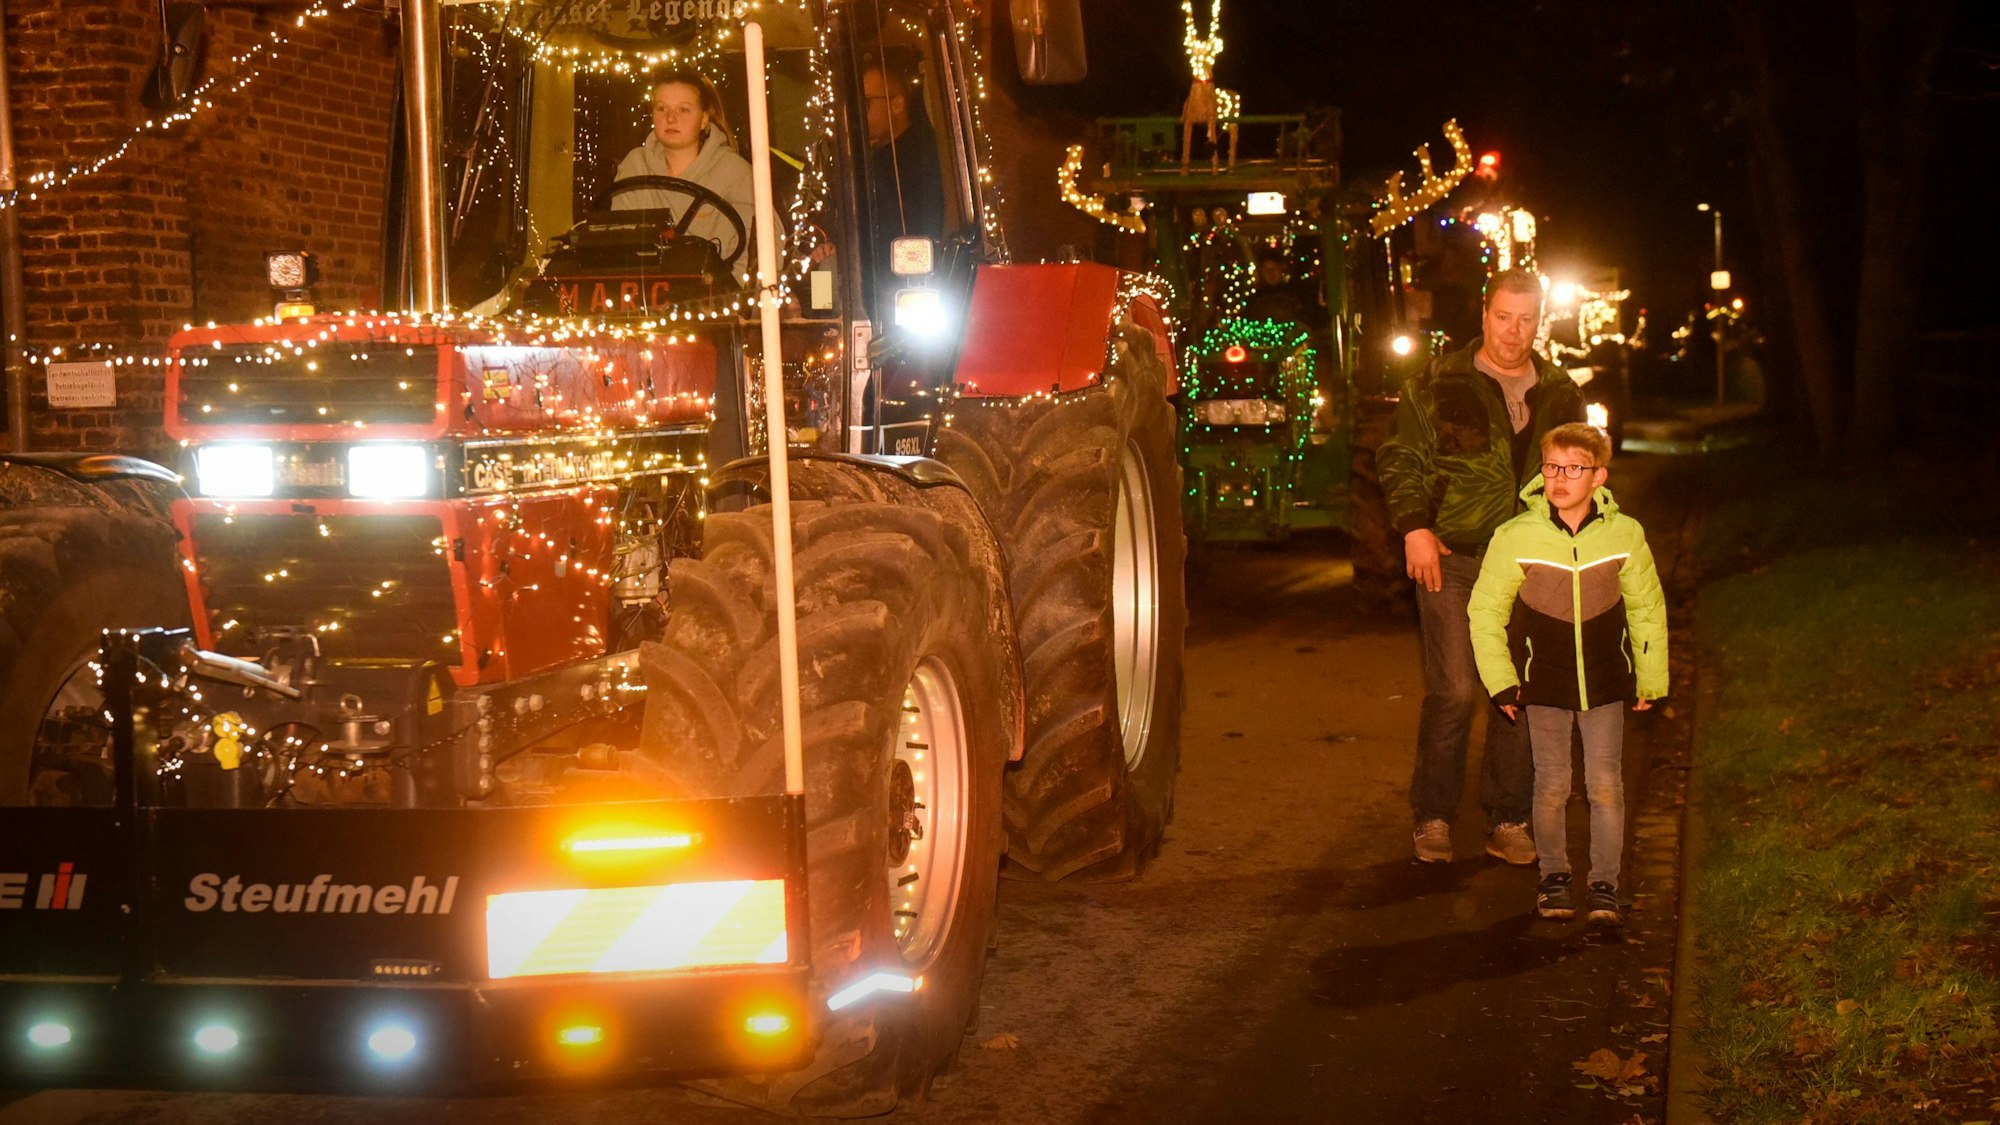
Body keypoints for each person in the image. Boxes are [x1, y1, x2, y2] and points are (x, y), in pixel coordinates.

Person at [1375, 268, 1584, 866]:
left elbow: (1583, 475)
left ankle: (1508, 819)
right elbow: (1401, 457)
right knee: (1456, 690)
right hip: (1454, 558)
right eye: (1503, 318)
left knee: (1516, 691)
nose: (1514, 333)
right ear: (1484, 315)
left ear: (1539, 321)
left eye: (1526, 320)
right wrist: (1414, 526)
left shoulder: (1562, 393)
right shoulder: (1439, 382)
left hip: (1529, 566)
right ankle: (1434, 816)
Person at [1466, 423, 1668, 926]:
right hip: (1544, 681)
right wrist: (1501, 681)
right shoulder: (1515, 537)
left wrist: (1650, 677)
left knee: (1606, 786)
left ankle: (1604, 885)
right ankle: (1554, 878)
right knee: (1552, 784)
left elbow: (1647, 609)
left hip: (1605, 679)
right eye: (1552, 466)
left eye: (1574, 468)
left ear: (1598, 476)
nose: (1560, 478)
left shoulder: (1626, 534)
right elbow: (1485, 612)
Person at [611, 70, 756, 278]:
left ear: (704, 119)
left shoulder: (734, 172)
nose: (670, 118)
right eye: (662, 108)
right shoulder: (635, 167)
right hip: (643, 296)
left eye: (683, 110)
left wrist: (727, 292)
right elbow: (617, 240)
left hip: (713, 300)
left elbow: (760, 247)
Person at [860, 59, 945, 253]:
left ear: (897, 104)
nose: (859, 114)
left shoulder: (924, 155)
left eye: (866, 103)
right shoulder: (863, 159)